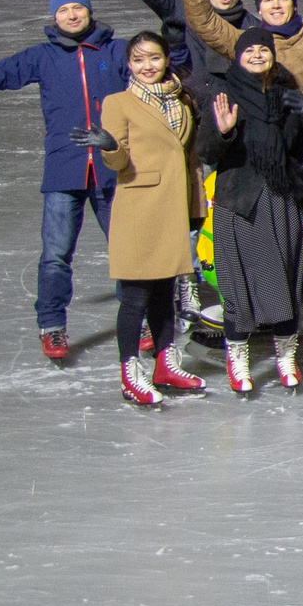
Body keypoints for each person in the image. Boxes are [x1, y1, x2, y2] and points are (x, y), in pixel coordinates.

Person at [0, 0, 134, 360]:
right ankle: (53, 326)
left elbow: (151, 75)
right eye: (63, 10)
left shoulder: (116, 50)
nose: (72, 15)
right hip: (64, 167)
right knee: (56, 254)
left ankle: (139, 322)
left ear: (89, 12)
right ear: (54, 17)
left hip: (113, 166)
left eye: (78, 8)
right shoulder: (43, 56)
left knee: (128, 250)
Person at [71, 31, 209, 405]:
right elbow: (118, 161)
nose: (147, 66)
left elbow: (190, 158)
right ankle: (130, 372)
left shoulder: (182, 99)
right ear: (128, 64)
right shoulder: (119, 103)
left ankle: (165, 364)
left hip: (176, 206)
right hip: (140, 209)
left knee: (165, 294)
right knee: (135, 297)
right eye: (139, 60)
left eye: (154, 58)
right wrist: (110, 147)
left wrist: (196, 208)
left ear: (166, 60)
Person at [196, 27, 303, 393]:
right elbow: (206, 153)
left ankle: (286, 358)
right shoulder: (225, 95)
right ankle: (238, 358)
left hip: (283, 200)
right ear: (237, 56)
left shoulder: (286, 98)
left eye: (263, 50)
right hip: (239, 202)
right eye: (249, 50)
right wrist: (224, 132)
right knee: (239, 285)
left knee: (284, 282)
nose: (256, 55)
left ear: (272, 56)